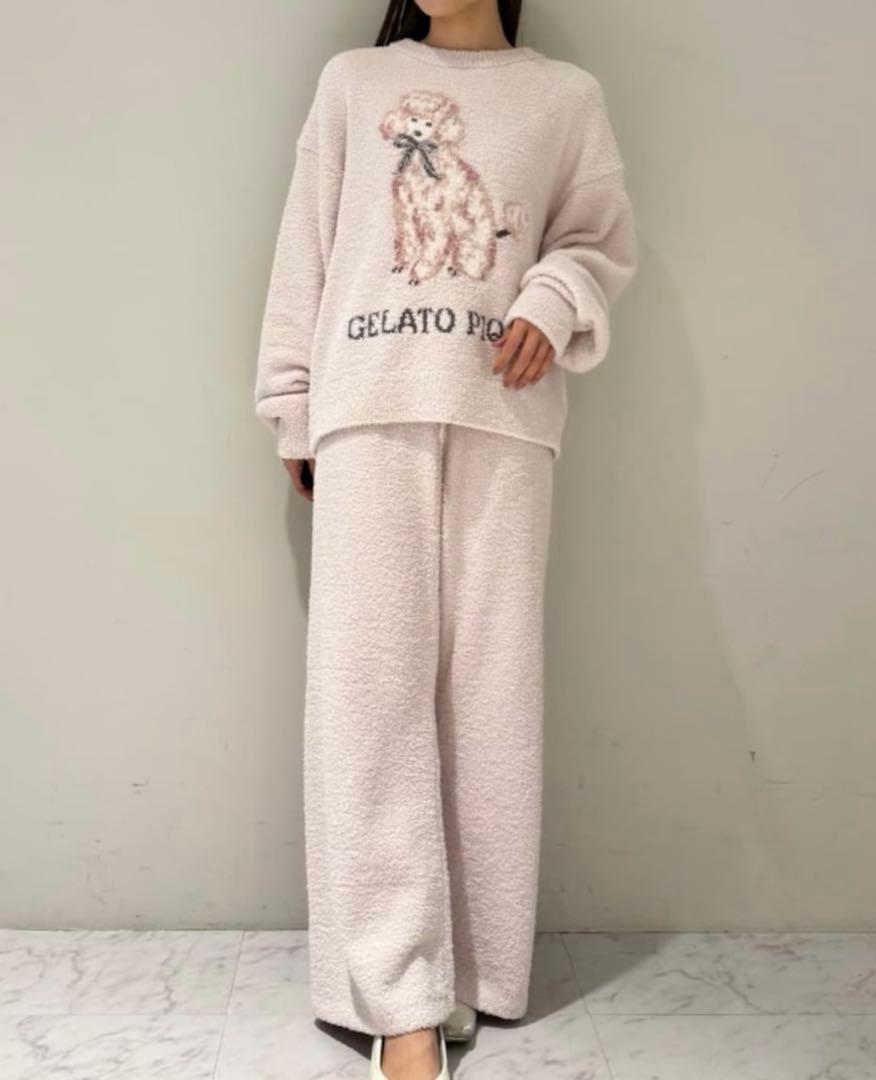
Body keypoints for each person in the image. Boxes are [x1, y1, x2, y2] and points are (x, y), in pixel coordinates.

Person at [253, 1, 638, 1076]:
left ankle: (466, 970)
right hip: (368, 408)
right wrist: (292, 401)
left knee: (489, 697)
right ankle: (399, 996)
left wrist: (554, 298)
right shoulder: (354, 82)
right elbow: (306, 248)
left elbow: (597, 238)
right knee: (368, 700)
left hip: (502, 418)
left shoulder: (562, 97)